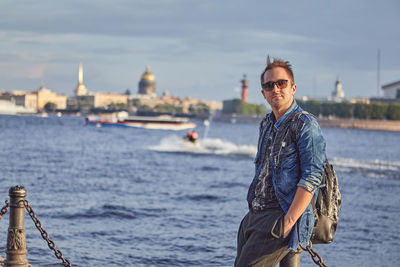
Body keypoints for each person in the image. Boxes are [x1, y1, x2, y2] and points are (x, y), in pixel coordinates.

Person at [235, 56, 327, 267]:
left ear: (293, 87)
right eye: (269, 85)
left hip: (280, 217)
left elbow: (312, 177)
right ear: (264, 94)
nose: (275, 89)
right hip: (254, 216)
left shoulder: (305, 125)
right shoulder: (266, 123)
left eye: (281, 83)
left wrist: (288, 223)